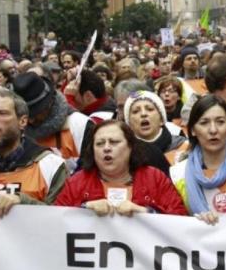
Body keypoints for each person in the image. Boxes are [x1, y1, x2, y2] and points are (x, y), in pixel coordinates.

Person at [0, 89, 70, 217]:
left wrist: (23, 201)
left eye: (2, 113)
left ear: (22, 122)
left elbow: (61, 220)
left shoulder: (52, 167)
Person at [54, 121, 187, 215]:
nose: (106, 148)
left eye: (114, 142)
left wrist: (146, 213)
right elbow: (56, 221)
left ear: (130, 147)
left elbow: (179, 218)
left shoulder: (155, 178)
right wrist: (84, 209)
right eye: (100, 144)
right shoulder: (77, 182)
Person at [12, 72, 93, 172]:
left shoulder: (81, 125)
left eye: (37, 112)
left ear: (50, 103)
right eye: (26, 115)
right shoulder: (15, 132)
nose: (31, 120)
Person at [122, 90, 179, 172]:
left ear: (162, 120)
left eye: (150, 109)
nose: (143, 114)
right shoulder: (124, 155)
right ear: (129, 124)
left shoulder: (182, 146)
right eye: (136, 111)